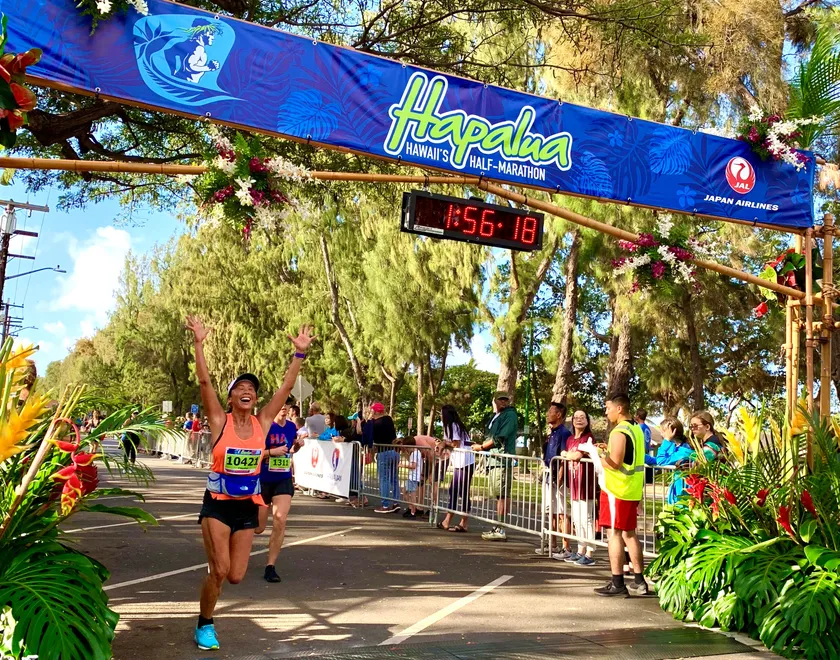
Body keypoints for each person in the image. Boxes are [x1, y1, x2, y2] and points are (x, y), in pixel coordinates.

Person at [186, 315, 314, 651]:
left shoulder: (263, 422)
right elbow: (205, 382)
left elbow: (285, 389)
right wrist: (198, 343)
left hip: (247, 506)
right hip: (217, 505)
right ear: (230, 398)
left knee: (236, 575)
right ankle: (204, 624)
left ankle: (214, 584)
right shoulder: (219, 420)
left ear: (256, 399)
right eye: (240, 389)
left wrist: (299, 355)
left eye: (251, 389)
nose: (247, 391)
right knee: (219, 570)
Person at [594, 393, 648, 597]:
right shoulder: (636, 428)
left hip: (617, 489)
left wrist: (597, 456)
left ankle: (617, 582)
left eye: (608, 408)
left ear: (619, 409)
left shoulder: (619, 431)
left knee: (614, 534)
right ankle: (639, 581)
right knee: (629, 534)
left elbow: (615, 463)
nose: (606, 412)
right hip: (631, 488)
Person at [255, 404, 299, 583]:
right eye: (280, 405)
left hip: (283, 479)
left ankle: (270, 566)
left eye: (286, 405)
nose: (283, 408)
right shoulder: (264, 426)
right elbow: (253, 453)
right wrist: (271, 452)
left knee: (280, 520)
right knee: (259, 528)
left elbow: (291, 449)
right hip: (263, 479)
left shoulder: (291, 426)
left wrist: (297, 445)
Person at [473, 392, 518, 542]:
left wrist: (481, 447)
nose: (503, 402)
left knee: (503, 495)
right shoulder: (496, 416)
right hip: (493, 460)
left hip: (502, 460)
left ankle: (501, 528)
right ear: (495, 401)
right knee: (499, 495)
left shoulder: (510, 415)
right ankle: (498, 526)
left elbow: (500, 437)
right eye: (500, 399)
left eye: (506, 399)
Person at [561, 410, 597, 566]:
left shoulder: (588, 438)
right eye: (576, 417)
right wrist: (566, 454)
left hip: (585, 483)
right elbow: (566, 453)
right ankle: (580, 549)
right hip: (574, 482)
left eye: (582, 417)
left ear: (587, 421)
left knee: (586, 518)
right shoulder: (570, 439)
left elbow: (576, 456)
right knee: (576, 518)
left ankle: (589, 552)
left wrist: (566, 454)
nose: (579, 420)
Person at [538, 402, 572, 558]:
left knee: (561, 512)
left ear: (558, 415)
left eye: (550, 411)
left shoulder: (564, 433)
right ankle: (553, 544)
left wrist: (560, 475)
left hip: (558, 477)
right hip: (548, 475)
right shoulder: (551, 432)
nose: (547, 414)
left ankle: (566, 547)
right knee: (550, 511)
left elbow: (564, 456)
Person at [437, 405, 474, 532]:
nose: (440, 416)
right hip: (461, 462)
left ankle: (460, 522)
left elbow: (455, 443)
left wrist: (444, 443)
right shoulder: (454, 426)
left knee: (460, 491)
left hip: (465, 462)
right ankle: (450, 521)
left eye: (441, 414)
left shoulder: (452, 426)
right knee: (455, 490)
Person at [650, 417, 694, 504]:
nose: (661, 433)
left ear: (672, 432)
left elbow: (661, 461)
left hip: (682, 491)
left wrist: (667, 440)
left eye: (663, 431)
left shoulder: (684, 451)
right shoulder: (675, 447)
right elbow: (661, 460)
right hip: (676, 488)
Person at [371, 401, 400, 514]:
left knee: (384, 479)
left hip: (383, 452)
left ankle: (385, 505)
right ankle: (396, 502)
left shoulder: (375, 423)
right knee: (394, 478)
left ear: (375, 412)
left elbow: (370, 435)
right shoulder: (388, 419)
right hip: (394, 451)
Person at [401, 441, 423, 518]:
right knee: (405, 491)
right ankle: (411, 509)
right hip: (413, 477)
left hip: (413, 477)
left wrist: (403, 465)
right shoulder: (416, 453)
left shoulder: (414, 454)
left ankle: (413, 512)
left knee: (412, 494)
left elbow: (413, 466)